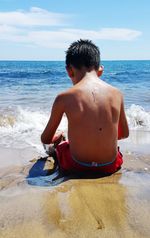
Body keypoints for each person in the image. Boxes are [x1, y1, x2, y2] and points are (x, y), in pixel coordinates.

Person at [41, 39, 129, 175]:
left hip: (77, 165)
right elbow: (124, 134)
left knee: (63, 146)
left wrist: (58, 138)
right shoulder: (117, 94)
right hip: (110, 165)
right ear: (100, 70)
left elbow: (45, 139)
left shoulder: (63, 97)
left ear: (69, 71)